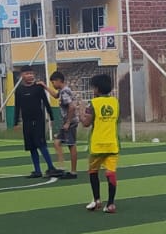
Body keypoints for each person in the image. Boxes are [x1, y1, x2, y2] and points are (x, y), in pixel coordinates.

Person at [82, 73, 121, 213]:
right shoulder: (115, 102)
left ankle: (97, 200)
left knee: (93, 171)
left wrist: (81, 112)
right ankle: (111, 204)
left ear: (97, 89)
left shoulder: (93, 103)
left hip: (97, 145)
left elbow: (86, 123)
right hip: (112, 144)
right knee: (111, 173)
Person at [13, 66, 59, 178]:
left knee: (41, 144)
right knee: (31, 146)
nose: (30, 75)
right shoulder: (19, 90)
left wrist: (51, 117)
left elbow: (46, 102)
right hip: (26, 122)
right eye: (27, 73)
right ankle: (37, 170)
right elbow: (17, 106)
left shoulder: (38, 88)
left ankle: (51, 167)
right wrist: (16, 122)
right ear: (22, 75)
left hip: (38, 120)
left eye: (31, 73)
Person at [46, 71, 81, 178]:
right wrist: (45, 87)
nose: (52, 85)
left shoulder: (65, 92)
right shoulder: (62, 91)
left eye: (53, 82)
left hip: (70, 122)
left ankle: (73, 171)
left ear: (58, 81)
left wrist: (68, 122)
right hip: (66, 122)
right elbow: (55, 96)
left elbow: (72, 107)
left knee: (71, 145)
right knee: (57, 142)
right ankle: (61, 167)